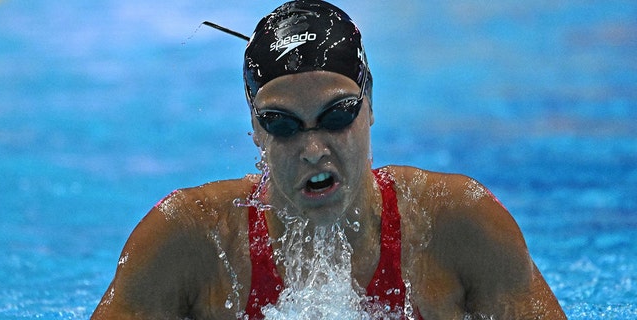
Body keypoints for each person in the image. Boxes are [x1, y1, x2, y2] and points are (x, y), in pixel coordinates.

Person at [92, 1, 566, 319]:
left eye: (336, 115)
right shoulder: (189, 242)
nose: (314, 149)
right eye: (282, 124)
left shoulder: (457, 225)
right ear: (255, 127)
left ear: (370, 104)